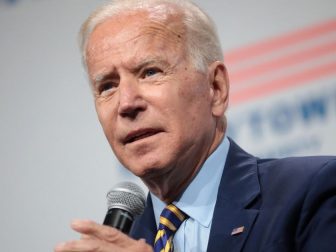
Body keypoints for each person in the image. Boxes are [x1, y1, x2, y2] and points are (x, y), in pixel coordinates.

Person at [55, 0, 336, 251]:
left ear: (215, 88)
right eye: (107, 86)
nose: (126, 103)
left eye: (150, 72)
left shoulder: (312, 192)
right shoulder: (124, 241)